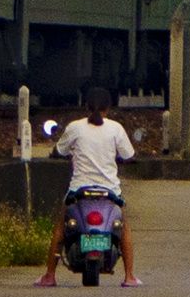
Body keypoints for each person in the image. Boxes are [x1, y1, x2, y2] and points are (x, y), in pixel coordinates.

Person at [46, 91, 140, 286]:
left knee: (60, 228)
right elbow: (129, 155)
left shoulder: (75, 127)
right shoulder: (116, 129)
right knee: (124, 228)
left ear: (86, 107)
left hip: (79, 190)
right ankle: (129, 276)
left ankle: (50, 275)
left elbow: (59, 150)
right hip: (110, 191)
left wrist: (57, 154)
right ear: (108, 108)